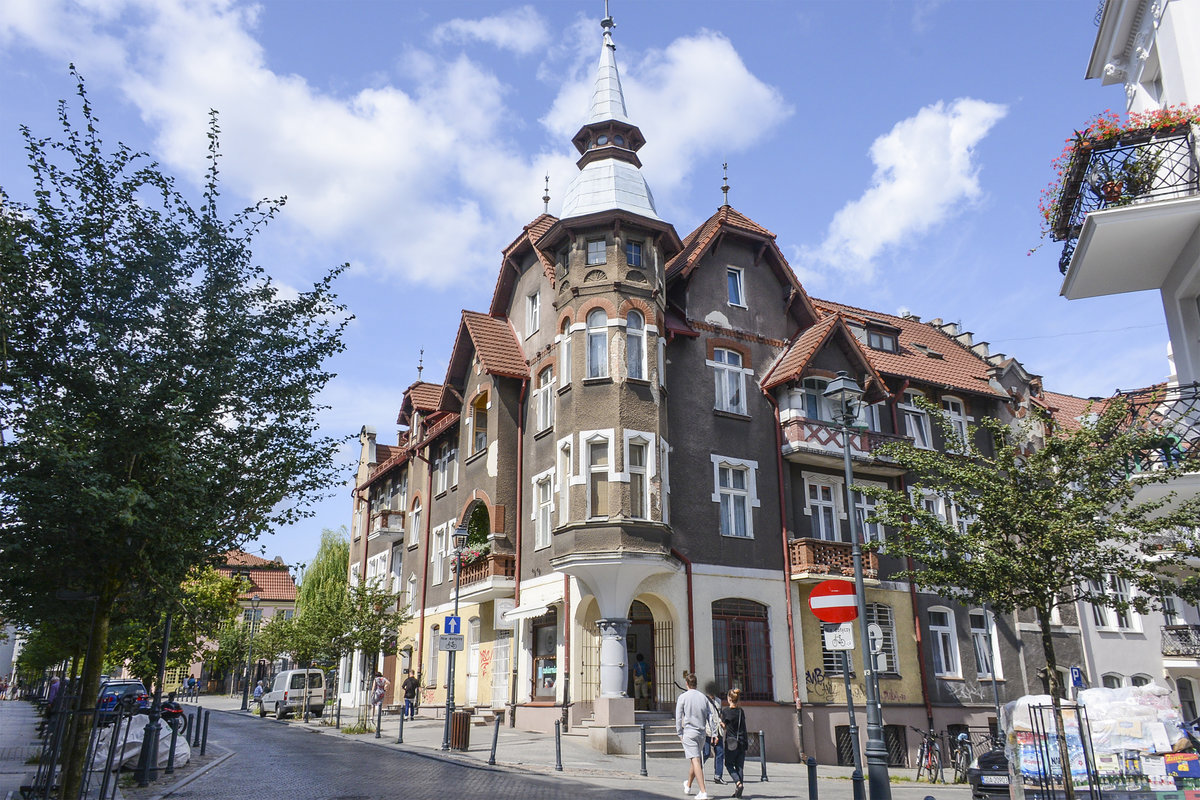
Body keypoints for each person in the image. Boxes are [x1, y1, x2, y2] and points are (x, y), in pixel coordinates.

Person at [675, 671, 711, 800]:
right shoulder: (703, 697)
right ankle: (688, 785)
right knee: (694, 760)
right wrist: (710, 731)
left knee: (695, 760)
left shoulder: (683, 697)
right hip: (701, 733)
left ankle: (703, 791)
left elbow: (678, 717)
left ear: (686, 684)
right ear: (696, 684)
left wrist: (679, 732)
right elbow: (709, 715)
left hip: (689, 732)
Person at [721, 688, 748, 798]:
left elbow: (724, 726)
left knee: (728, 764)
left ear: (729, 698)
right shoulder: (741, 711)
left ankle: (738, 783)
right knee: (740, 766)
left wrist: (720, 723)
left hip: (731, 742)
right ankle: (738, 790)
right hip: (742, 741)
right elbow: (743, 726)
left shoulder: (726, 711)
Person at [702, 682, 725, 784]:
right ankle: (696, 769)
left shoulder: (718, 701)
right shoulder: (704, 701)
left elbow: (719, 714)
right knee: (706, 753)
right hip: (707, 731)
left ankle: (718, 776)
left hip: (718, 730)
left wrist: (721, 722)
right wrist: (709, 732)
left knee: (720, 752)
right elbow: (704, 717)